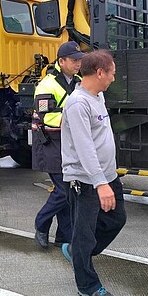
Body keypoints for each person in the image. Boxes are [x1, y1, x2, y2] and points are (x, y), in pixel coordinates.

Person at [60, 49, 126, 296]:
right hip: (85, 181)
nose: (113, 79)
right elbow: (85, 147)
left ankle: (77, 251)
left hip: (107, 176)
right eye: (112, 73)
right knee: (85, 233)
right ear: (99, 72)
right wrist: (100, 183)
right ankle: (87, 284)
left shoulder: (97, 97)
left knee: (117, 219)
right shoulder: (78, 103)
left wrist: (108, 178)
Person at [32, 41, 84, 249]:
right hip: (50, 143)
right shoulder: (46, 84)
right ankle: (41, 224)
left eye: (80, 60)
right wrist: (74, 118)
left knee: (69, 190)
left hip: (69, 143)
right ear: (61, 61)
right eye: (73, 60)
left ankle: (64, 236)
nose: (78, 64)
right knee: (63, 190)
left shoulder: (79, 82)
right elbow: (46, 116)